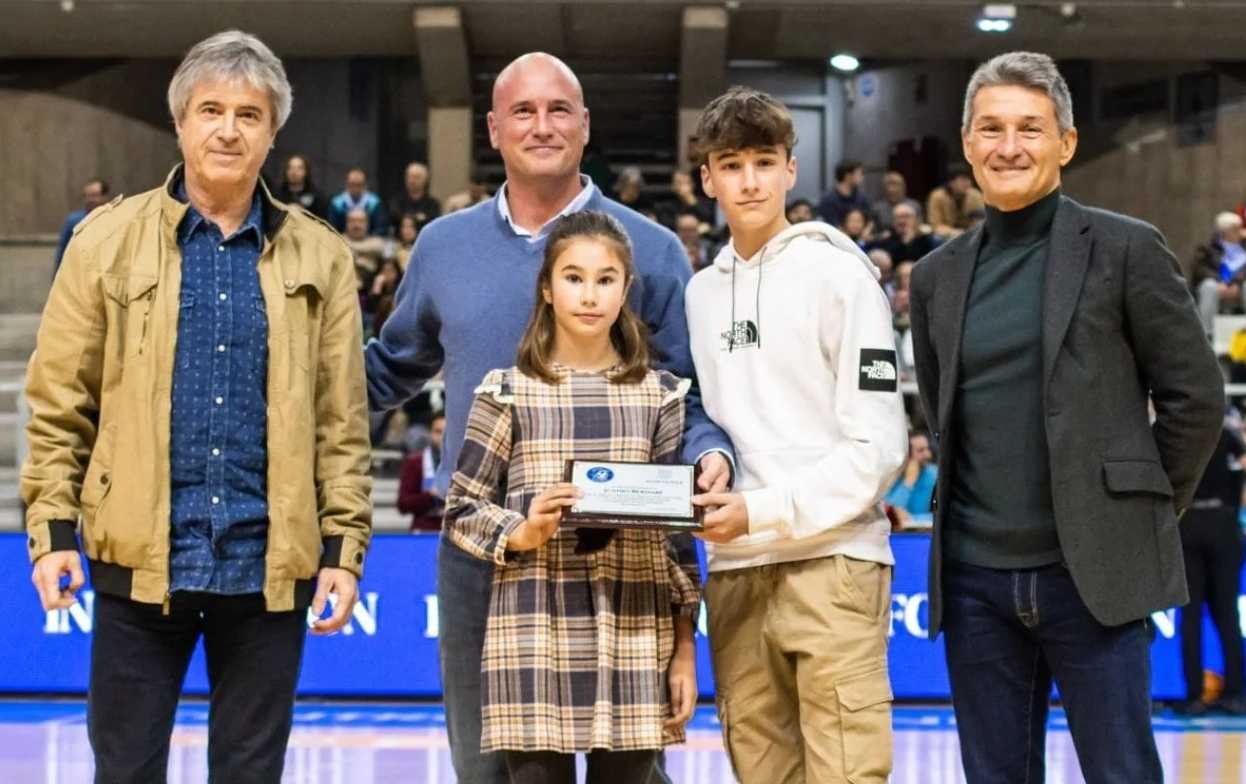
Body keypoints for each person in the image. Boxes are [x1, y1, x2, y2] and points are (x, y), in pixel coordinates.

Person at [364, 51, 734, 783]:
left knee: (628, 766)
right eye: (524, 112)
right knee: (494, 772)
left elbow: (688, 400)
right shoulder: (443, 246)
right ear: (495, 129)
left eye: (559, 109)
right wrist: (287, 384)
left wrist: (711, 453)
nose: (542, 125)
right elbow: (388, 368)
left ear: (586, 126)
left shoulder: (652, 253)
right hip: (484, 553)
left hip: (620, 554)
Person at [22, 31, 371, 783]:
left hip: (267, 569)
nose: (228, 129)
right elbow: (58, 403)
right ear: (179, 121)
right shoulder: (102, 242)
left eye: (249, 114)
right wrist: (51, 532)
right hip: (138, 564)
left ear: (272, 132)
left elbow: (340, 424)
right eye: (210, 109)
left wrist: (345, 548)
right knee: (124, 772)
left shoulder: (323, 255)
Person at [909, 51, 1224, 784]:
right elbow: (941, 412)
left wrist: (1134, 512)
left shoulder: (1126, 248)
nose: (1009, 146)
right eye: (991, 129)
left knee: (1122, 774)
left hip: (1093, 579)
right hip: (975, 580)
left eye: (1030, 128)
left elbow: (1196, 398)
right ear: (966, 142)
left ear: (1066, 143)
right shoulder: (936, 278)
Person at [684, 85, 907, 784]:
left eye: (763, 161)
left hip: (835, 561)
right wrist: (713, 463)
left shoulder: (841, 275)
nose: (748, 180)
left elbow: (881, 448)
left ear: (790, 169)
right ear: (707, 178)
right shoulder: (700, 292)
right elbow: (709, 418)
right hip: (737, 570)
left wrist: (764, 508)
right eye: (731, 164)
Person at [444, 211, 699, 783]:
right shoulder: (505, 391)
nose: (590, 295)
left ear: (626, 289)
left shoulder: (659, 398)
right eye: (574, 277)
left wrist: (684, 647)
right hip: (532, 629)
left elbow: (675, 540)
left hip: (634, 630)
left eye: (606, 279)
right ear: (547, 287)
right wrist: (522, 531)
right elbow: (461, 510)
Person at [1175, 421, 1246, 716]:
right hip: (1224, 524)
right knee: (1226, 614)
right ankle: (1236, 695)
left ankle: (1194, 697)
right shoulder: (1230, 437)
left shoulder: (1183, 433)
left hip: (1189, 523)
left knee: (1190, 616)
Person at [1192, 211, 1246, 336]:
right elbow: (1200, 270)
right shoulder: (1208, 249)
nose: (1240, 231)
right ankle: (1207, 335)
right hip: (1217, 284)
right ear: (1225, 232)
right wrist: (1220, 282)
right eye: (1235, 229)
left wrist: (1236, 283)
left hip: (1239, 286)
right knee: (1208, 286)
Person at [398, 413, 446, 532]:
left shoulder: (464, 462)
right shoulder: (415, 462)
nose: (443, 437)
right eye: (438, 432)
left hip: (455, 531)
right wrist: (430, 495)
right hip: (424, 529)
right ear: (430, 433)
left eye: (447, 432)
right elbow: (403, 504)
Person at [53, 177, 110, 274]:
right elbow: (63, 251)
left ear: (105, 197)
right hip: (79, 273)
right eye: (88, 196)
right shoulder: (74, 220)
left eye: (95, 195)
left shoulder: (112, 219)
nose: (90, 200)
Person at [885, 430, 938, 518]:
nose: (928, 454)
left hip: (922, 530)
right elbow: (889, 515)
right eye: (920, 450)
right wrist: (907, 484)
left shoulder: (934, 474)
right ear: (906, 454)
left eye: (927, 449)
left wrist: (913, 519)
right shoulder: (890, 475)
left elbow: (945, 516)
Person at [926, 163, 985, 240]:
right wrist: (954, 232)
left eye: (969, 179)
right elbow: (936, 225)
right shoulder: (937, 196)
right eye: (963, 180)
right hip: (947, 234)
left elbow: (982, 220)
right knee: (936, 238)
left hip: (970, 233)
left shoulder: (975, 195)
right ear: (951, 182)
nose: (968, 183)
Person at [868, 202, 936, 264]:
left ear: (916, 220)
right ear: (893, 222)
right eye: (898, 217)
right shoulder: (887, 240)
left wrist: (911, 242)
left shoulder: (926, 239)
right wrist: (904, 243)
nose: (902, 221)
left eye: (906, 217)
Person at [329, 167, 387, 235]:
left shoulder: (375, 203)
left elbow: (381, 227)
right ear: (346, 184)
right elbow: (331, 227)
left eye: (359, 185)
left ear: (365, 185)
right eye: (352, 184)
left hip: (369, 241)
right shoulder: (337, 203)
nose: (355, 189)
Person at [816, 159, 872, 228]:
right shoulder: (828, 199)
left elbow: (870, 220)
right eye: (860, 174)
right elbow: (831, 225)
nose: (862, 177)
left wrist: (865, 233)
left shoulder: (862, 198)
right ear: (848, 176)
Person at [389, 161, 442, 231]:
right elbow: (394, 219)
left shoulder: (433, 204)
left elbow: (433, 223)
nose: (412, 181)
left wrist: (408, 218)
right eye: (409, 177)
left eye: (416, 177)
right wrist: (418, 218)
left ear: (425, 180)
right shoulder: (397, 201)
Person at [274, 153, 328, 218]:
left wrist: (303, 212)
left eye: (299, 168)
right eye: (290, 167)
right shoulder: (276, 195)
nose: (294, 172)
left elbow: (322, 221)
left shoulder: (316, 196)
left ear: (306, 171)